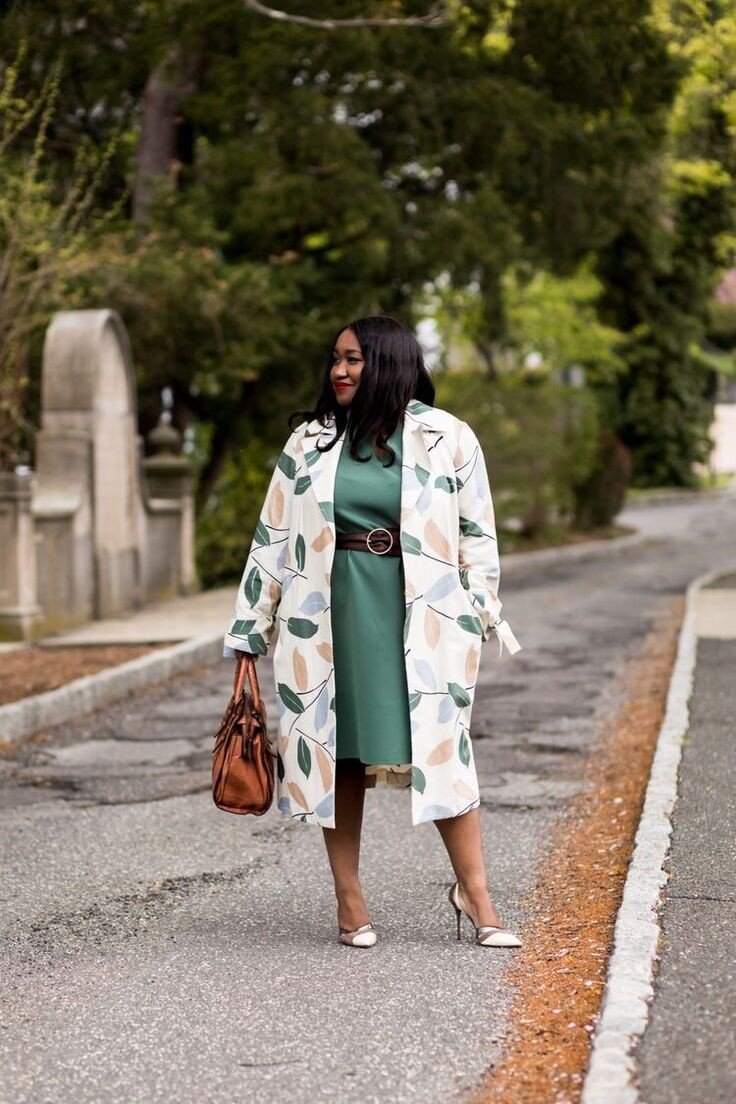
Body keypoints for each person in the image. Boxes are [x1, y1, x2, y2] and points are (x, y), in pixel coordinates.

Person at [223, 315, 522, 948]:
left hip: (423, 614)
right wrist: (250, 631)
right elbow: (271, 538)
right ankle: (349, 898)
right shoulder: (309, 442)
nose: (339, 370)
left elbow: (478, 535)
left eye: (353, 359)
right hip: (326, 613)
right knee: (339, 753)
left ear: (389, 362)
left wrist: (476, 610)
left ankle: (476, 894)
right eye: (335, 358)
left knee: (443, 751)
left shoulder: (448, 437)